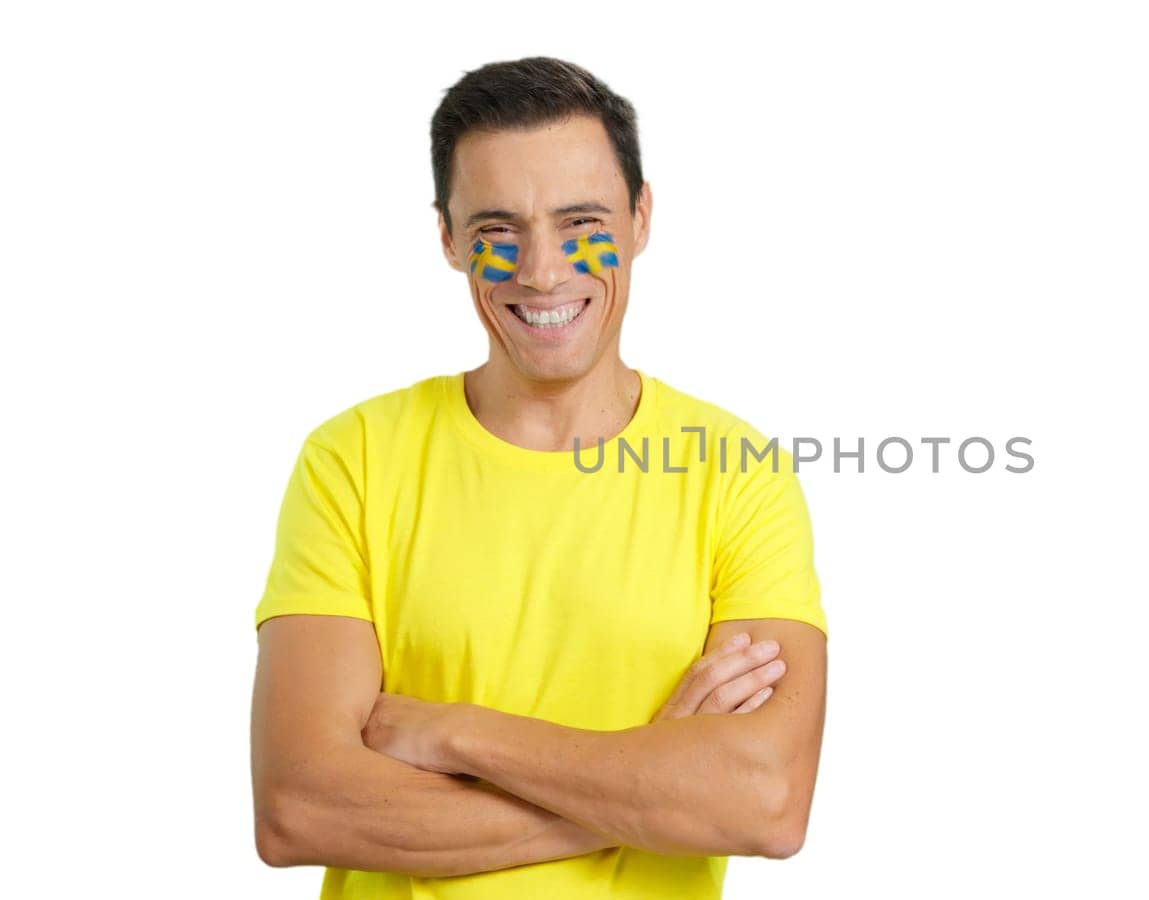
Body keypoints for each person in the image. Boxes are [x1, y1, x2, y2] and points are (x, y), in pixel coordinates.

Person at [249, 56, 828, 899]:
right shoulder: (353, 459)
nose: (544, 270)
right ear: (448, 238)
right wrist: (649, 782)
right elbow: (298, 809)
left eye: (580, 221)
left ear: (640, 217)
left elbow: (767, 802)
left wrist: (459, 736)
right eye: (497, 230)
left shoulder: (738, 473)